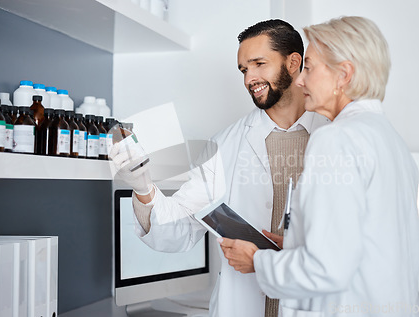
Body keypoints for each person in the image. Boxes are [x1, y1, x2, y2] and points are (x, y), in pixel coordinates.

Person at [110, 19, 328, 317]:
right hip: (246, 306)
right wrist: (143, 187)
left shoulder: (332, 135)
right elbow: (179, 229)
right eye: (243, 69)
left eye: (258, 64)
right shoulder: (225, 145)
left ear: (293, 62)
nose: (249, 78)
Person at [219, 16, 419, 316]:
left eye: (309, 68)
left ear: (344, 75)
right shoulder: (390, 140)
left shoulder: (336, 139)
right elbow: (365, 244)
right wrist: (297, 243)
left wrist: (257, 261)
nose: (300, 80)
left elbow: (326, 270)